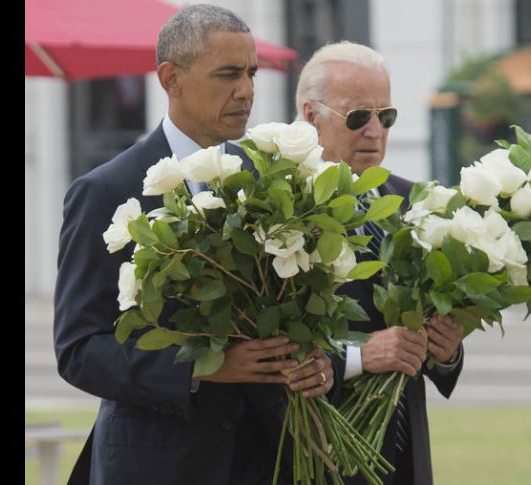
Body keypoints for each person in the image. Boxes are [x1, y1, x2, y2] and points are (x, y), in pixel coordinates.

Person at [53, 5, 341, 485]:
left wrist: (319, 364)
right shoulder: (105, 191)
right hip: (158, 465)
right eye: (228, 74)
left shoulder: (272, 181)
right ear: (171, 79)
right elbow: (80, 350)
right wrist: (203, 367)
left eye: (250, 73)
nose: (246, 91)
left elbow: (298, 314)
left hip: (268, 458)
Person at [296, 41, 466, 485]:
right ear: (311, 115)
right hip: (313, 454)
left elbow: (432, 350)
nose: (374, 131)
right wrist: (360, 357)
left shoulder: (414, 203)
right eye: (357, 117)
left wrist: (444, 350)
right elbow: (265, 343)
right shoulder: (279, 212)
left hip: (404, 458)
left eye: (385, 116)